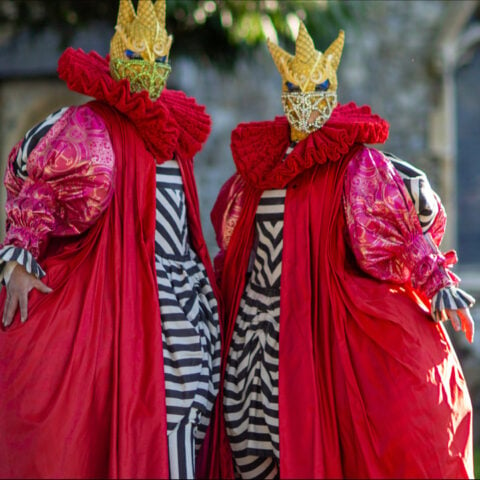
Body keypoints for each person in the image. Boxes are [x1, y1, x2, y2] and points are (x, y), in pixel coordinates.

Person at [208, 22, 475, 479]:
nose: (305, 96)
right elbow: (230, 245)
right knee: (247, 445)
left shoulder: (355, 166)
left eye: (316, 86)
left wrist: (436, 279)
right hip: (253, 337)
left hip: (313, 338)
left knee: (313, 447)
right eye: (295, 87)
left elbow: (396, 229)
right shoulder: (256, 173)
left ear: (332, 89)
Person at [0, 0, 221, 478]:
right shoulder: (88, 126)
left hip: (181, 297)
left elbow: (184, 229)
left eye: (160, 58)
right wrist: (20, 261)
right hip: (118, 293)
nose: (153, 68)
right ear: (120, 58)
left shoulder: (173, 138)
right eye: (140, 58)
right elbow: (39, 187)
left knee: (193, 410)